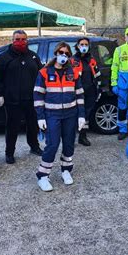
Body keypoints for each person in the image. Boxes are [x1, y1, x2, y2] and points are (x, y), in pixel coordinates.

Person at [33, 42, 86, 192]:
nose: (64, 56)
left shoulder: (73, 72)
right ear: (56, 53)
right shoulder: (44, 72)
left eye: (67, 54)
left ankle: (66, 170)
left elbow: (80, 94)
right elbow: (38, 95)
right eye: (61, 52)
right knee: (52, 144)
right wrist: (40, 116)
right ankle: (43, 176)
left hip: (70, 114)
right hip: (52, 114)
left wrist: (81, 115)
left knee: (69, 143)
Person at [0, 30, 43, 164]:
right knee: (12, 127)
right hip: (12, 99)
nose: (20, 42)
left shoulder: (33, 56)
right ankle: (9, 153)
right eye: (17, 39)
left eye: (23, 39)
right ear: (12, 40)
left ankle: (34, 146)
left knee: (33, 125)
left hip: (31, 99)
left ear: (27, 40)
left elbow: (41, 75)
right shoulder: (4, 57)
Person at [70, 37, 102, 146]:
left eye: (86, 44)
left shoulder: (91, 60)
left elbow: (97, 75)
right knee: (75, 114)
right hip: (77, 92)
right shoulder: (73, 60)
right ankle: (70, 137)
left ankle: (82, 136)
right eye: (81, 44)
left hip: (90, 92)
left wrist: (99, 89)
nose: (84, 46)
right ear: (77, 46)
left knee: (86, 115)